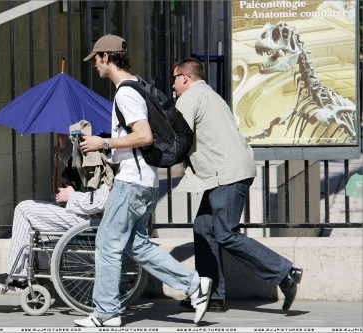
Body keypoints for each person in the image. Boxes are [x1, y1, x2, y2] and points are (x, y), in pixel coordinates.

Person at [73, 34, 212, 328]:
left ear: (106, 58)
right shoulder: (136, 85)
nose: (95, 65)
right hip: (145, 181)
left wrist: (105, 143)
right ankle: (194, 285)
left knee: (107, 245)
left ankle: (106, 313)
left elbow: (144, 136)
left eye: (96, 59)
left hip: (132, 182)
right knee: (137, 246)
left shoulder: (125, 93)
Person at [172, 57, 303, 312]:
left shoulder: (190, 96)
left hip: (226, 173)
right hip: (223, 172)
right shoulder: (210, 94)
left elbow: (177, 134)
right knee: (203, 227)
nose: (173, 86)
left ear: (185, 77)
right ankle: (213, 295)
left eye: (175, 79)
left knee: (224, 232)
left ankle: (285, 273)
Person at [0, 135, 110, 288]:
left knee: (24, 210)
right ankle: (20, 273)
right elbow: (73, 161)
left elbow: (100, 202)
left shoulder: (107, 161)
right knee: (26, 209)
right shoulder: (97, 156)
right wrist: (63, 139)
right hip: (82, 213)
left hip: (90, 218)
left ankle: (18, 274)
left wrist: (72, 196)